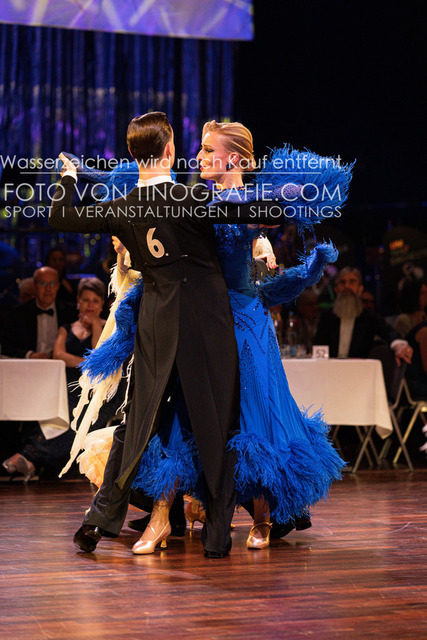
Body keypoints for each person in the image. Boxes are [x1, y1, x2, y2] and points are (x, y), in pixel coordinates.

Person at [68, 119, 352, 553]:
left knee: (252, 414)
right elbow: (142, 190)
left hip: (244, 321)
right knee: (179, 416)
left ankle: (262, 514)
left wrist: (264, 246)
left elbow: (266, 216)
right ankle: (164, 515)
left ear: (233, 159)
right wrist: (87, 175)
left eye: (206, 150)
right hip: (196, 320)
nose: (197, 157)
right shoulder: (195, 197)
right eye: (198, 149)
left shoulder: (243, 201)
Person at [50, 111, 262, 558]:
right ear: (169, 151)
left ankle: (98, 521)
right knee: (215, 426)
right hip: (207, 323)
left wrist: (68, 176)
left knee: (135, 425)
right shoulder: (191, 197)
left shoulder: (124, 207)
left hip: (157, 322)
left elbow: (61, 216)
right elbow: (255, 210)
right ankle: (217, 537)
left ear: (132, 155)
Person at [314, 267, 413, 363]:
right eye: (342, 282)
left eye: (352, 282)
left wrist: (399, 346)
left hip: (360, 369)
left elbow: (390, 333)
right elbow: (318, 347)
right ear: (336, 290)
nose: (347, 286)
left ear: (360, 289)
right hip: (330, 368)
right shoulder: (326, 317)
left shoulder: (369, 317)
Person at [1, 266, 76, 359]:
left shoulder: (71, 312)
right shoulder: (17, 313)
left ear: (58, 286)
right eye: (43, 283)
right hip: (28, 366)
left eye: (52, 284)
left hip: (62, 366)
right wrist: (30, 355)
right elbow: (6, 347)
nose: (48, 289)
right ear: (34, 286)